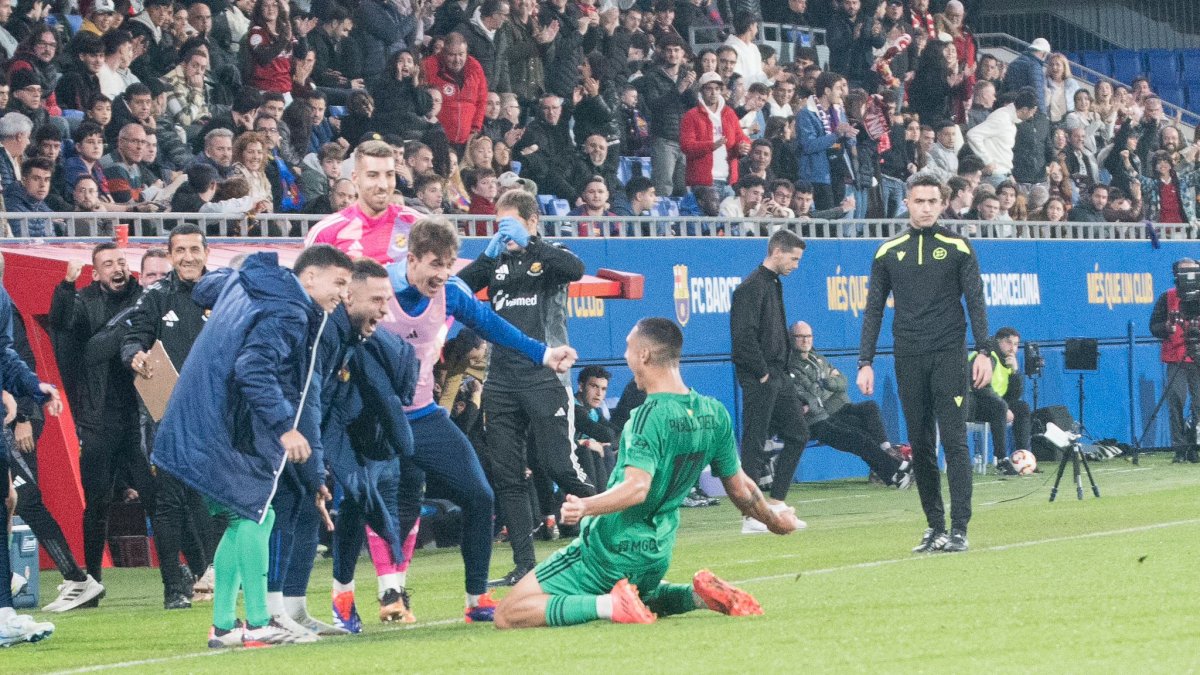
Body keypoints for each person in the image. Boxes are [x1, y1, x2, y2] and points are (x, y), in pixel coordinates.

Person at [493, 318, 802, 629]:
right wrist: (773, 521)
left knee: (509, 613)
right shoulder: (714, 413)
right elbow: (742, 490)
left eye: (628, 348)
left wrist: (586, 506)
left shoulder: (646, 417)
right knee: (641, 594)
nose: (626, 356)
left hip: (609, 550)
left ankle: (611, 603)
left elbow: (637, 488)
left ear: (643, 356)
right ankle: (696, 597)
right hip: (657, 553)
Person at [377, 216, 578, 622]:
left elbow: (491, 324)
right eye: (436, 264)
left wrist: (543, 353)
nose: (443, 274)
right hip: (376, 417)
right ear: (411, 258)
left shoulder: (449, 291)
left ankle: (476, 599)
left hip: (421, 414)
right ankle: (358, 596)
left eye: (449, 264)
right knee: (370, 501)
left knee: (480, 494)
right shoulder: (378, 288)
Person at [154, 244, 354, 648]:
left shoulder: (256, 286)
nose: (344, 294)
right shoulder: (288, 309)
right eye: (340, 282)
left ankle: (225, 626)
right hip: (223, 424)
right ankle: (259, 622)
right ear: (310, 277)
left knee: (242, 517)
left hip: (203, 419)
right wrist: (285, 427)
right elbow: (253, 368)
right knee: (255, 517)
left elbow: (205, 288)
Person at [458, 190, 593, 587]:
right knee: (507, 474)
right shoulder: (496, 261)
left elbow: (576, 267)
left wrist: (532, 242)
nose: (504, 231)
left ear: (533, 221)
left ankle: (613, 528)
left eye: (510, 223)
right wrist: (486, 256)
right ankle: (524, 564)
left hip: (544, 376)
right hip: (500, 380)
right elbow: (457, 290)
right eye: (499, 224)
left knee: (558, 466)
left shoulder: (550, 255)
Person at [857, 174, 992, 554]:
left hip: (948, 354)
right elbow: (872, 311)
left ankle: (960, 528)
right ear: (908, 204)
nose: (927, 207)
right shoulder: (888, 252)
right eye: (920, 201)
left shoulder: (959, 247)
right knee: (919, 444)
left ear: (942, 203)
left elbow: (976, 303)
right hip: (908, 356)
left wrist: (983, 351)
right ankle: (935, 527)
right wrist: (864, 361)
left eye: (933, 201)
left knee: (954, 440)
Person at [116, 226, 215, 609]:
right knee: (169, 502)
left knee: (216, 500)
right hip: (170, 415)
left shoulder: (225, 294)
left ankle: (211, 573)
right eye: (180, 251)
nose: (188, 257)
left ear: (207, 252)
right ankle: (174, 587)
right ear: (171, 257)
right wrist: (133, 355)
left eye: (194, 249)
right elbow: (133, 337)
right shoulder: (156, 297)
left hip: (216, 414)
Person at [48, 243, 148, 595]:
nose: (117, 268)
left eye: (121, 261)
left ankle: (181, 574)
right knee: (98, 503)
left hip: (138, 415)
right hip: (98, 418)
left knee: (155, 495)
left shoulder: (142, 298)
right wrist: (65, 286)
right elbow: (60, 322)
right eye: (108, 264)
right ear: (96, 273)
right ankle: (92, 576)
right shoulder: (84, 300)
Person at [729, 230, 810, 533]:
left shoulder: (773, 283)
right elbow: (743, 336)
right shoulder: (750, 288)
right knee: (754, 442)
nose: (796, 265)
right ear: (777, 251)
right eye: (794, 258)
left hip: (779, 375)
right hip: (760, 376)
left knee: (799, 433)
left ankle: (774, 504)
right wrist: (761, 372)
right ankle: (750, 516)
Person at [788, 321, 912, 488]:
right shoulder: (791, 365)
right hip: (813, 421)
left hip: (826, 413)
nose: (805, 340)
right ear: (791, 338)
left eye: (808, 336)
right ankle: (896, 469)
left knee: (865, 420)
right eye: (800, 337)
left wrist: (825, 384)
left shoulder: (817, 359)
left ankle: (890, 463)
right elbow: (809, 395)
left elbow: (842, 382)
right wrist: (823, 386)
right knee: (857, 436)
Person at [305, 140, 422, 262]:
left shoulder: (416, 225)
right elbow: (311, 278)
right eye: (373, 175)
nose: (383, 185)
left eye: (389, 175)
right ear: (355, 178)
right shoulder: (325, 232)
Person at [1149, 258, 1200, 463]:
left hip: (1197, 355)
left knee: (1198, 403)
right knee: (1176, 401)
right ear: (1176, 275)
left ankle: (1195, 444)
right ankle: (1179, 448)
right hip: (1176, 357)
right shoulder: (1167, 297)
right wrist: (1167, 328)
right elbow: (1154, 326)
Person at [967, 327, 1032, 474]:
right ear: (998, 342)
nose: (1012, 348)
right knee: (999, 406)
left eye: (1016, 344)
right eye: (1008, 343)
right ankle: (1002, 460)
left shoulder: (1007, 361)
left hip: (995, 405)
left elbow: (1013, 396)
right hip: (971, 405)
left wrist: (1015, 372)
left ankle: (1024, 457)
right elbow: (979, 387)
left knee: (1022, 407)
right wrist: (1004, 407)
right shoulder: (986, 357)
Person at [680, 72, 751, 195]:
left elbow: (740, 136)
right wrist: (711, 145)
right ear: (701, 91)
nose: (714, 93)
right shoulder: (691, 115)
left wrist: (743, 145)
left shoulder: (729, 113)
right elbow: (686, 146)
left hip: (729, 181)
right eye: (709, 89)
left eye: (717, 89)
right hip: (703, 182)